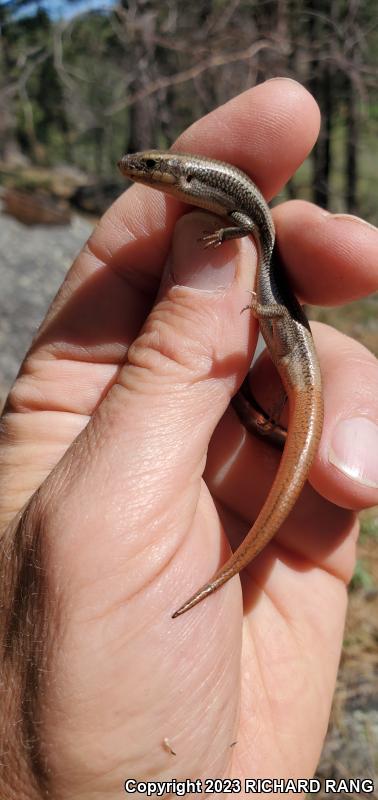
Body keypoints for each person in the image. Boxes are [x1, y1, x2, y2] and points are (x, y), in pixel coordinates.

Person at [1, 78, 377, 799]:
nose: (137, 175)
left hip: (285, 327)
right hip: (279, 331)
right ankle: (268, 428)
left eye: (146, 168)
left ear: (174, 174)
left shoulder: (218, 192)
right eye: (143, 168)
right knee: (288, 390)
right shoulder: (201, 191)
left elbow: (247, 223)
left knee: (274, 318)